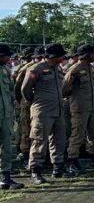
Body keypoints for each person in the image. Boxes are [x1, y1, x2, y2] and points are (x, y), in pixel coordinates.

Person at [21, 43, 68, 184]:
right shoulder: (36, 69)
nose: (63, 57)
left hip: (58, 110)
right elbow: (25, 89)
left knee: (59, 140)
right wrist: (35, 103)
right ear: (53, 56)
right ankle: (36, 171)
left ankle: (58, 168)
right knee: (39, 141)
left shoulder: (57, 68)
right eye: (61, 55)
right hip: (42, 111)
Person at [63, 44, 94, 172]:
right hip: (79, 107)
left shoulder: (90, 68)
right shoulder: (74, 69)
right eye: (93, 53)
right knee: (77, 135)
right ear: (86, 55)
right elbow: (64, 88)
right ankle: (72, 161)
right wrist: (74, 97)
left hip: (91, 106)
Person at [0, 44, 23, 189]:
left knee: (6, 147)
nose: (9, 58)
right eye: (6, 55)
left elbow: (10, 93)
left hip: (5, 115)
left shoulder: (5, 70)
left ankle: (5, 178)